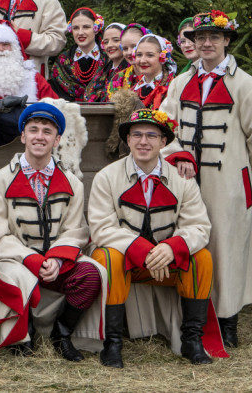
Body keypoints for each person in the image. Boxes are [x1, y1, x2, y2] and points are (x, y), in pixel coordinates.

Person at [160, 10, 252, 348]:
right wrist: (179, 154)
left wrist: (238, 162)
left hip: (228, 181)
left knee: (227, 248)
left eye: (214, 37)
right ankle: (192, 318)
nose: (207, 43)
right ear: (193, 43)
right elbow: (165, 127)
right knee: (190, 243)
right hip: (185, 180)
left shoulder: (244, 84)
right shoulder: (180, 83)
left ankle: (227, 320)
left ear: (227, 40)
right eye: (200, 38)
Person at [88, 108, 221, 368]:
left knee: (201, 259)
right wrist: (140, 249)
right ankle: (112, 343)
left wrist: (172, 248)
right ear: (127, 141)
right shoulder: (107, 177)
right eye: (136, 134)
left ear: (163, 142)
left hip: (165, 262)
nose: (143, 141)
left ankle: (192, 340)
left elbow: (199, 226)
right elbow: (101, 227)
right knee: (107, 256)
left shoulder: (182, 180)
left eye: (151, 135)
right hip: (127, 261)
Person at [0, 103, 104, 359]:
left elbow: (75, 229)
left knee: (91, 274)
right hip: (15, 260)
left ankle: (62, 333)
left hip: (55, 261)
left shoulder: (72, 183)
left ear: (57, 139)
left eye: (47, 131)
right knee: (16, 276)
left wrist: (57, 259)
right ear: (23, 136)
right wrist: (30, 258)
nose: (39, 136)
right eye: (33, 130)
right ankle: (23, 335)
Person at [0, 21, 58, 147]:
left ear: (14, 48)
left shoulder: (33, 77)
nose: (1, 49)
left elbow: (55, 104)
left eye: (5, 44)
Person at [49, 7, 110, 103]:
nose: (80, 33)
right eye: (76, 28)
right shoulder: (62, 62)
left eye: (86, 27)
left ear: (96, 28)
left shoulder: (109, 59)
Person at [107, 33, 176, 109]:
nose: (142, 60)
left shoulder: (173, 88)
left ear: (162, 57)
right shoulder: (133, 90)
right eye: (139, 55)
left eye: (150, 55)